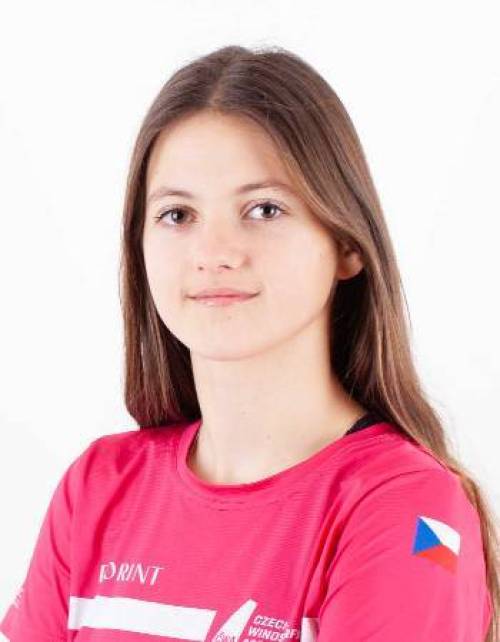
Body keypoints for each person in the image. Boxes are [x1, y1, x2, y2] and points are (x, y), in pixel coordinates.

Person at [1, 44, 498, 642]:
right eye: (177, 215)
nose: (213, 253)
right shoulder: (96, 489)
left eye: (263, 209)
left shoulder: (407, 508)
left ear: (347, 244)